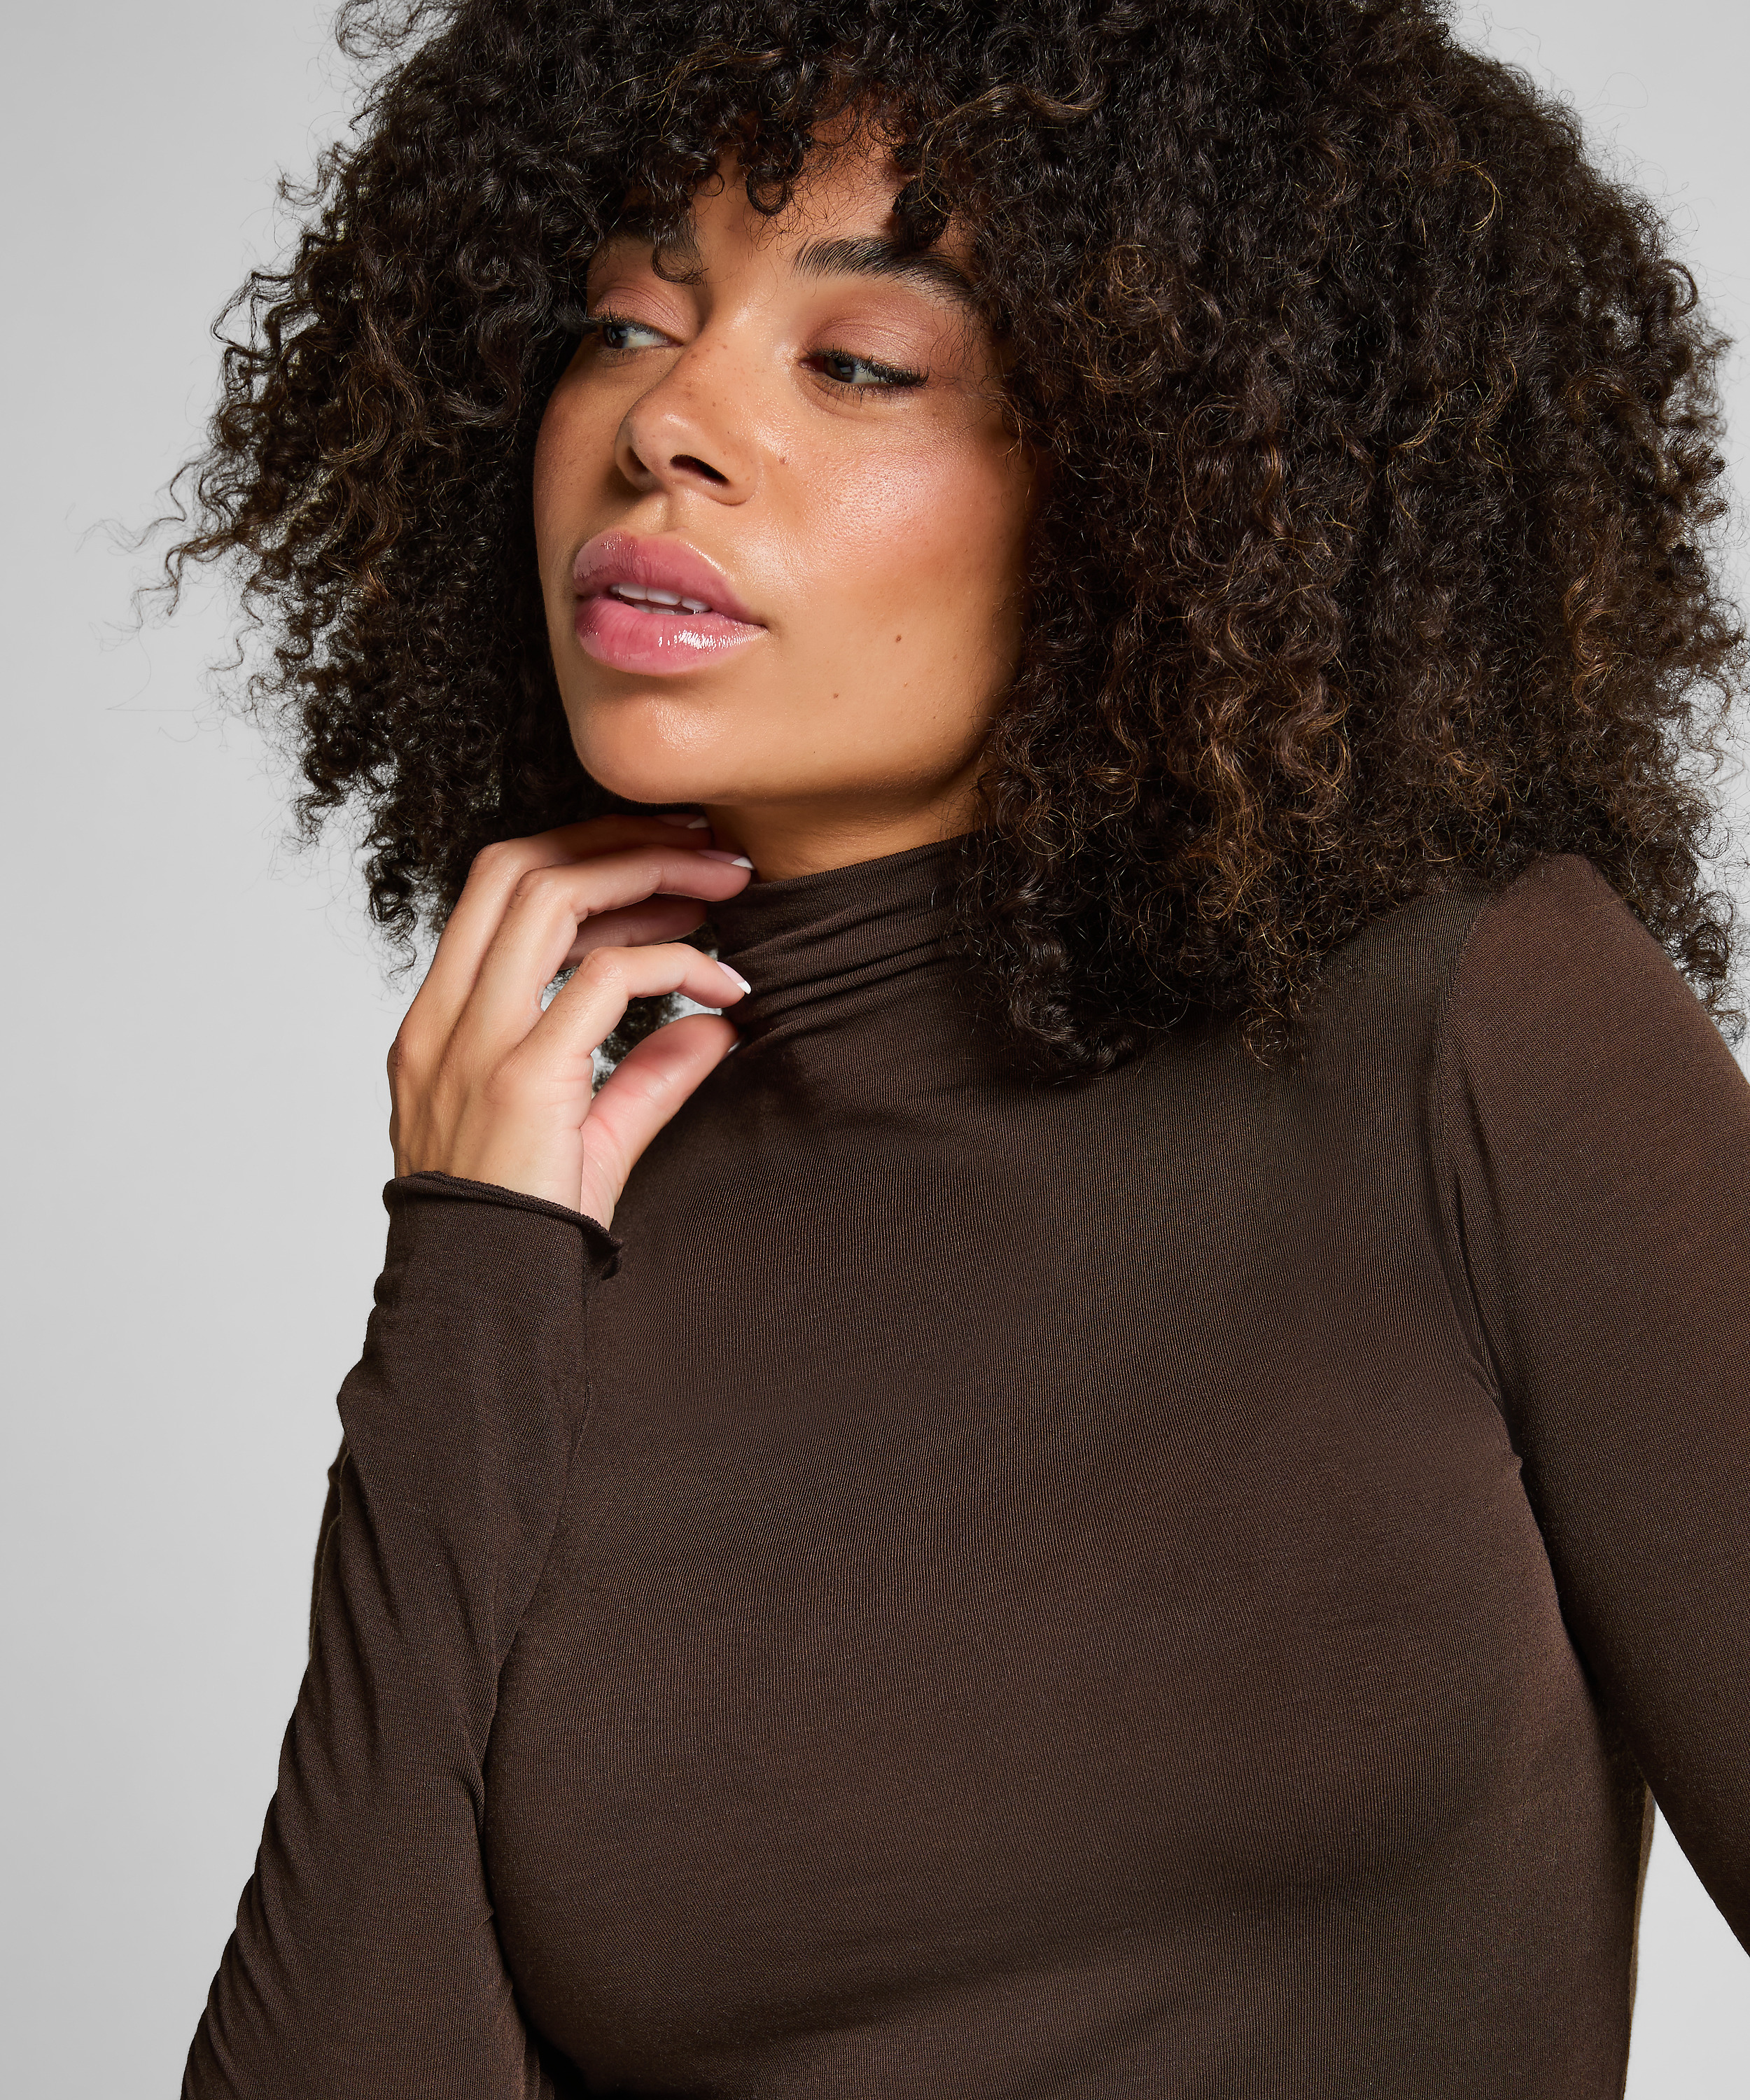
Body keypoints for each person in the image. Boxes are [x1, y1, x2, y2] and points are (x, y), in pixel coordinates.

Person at [172, 1, 1749, 2094]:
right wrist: (467, 1263)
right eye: (625, 324)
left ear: (1170, 478)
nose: (667, 423)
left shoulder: (1474, 1031)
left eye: (857, 362)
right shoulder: (567, 1206)